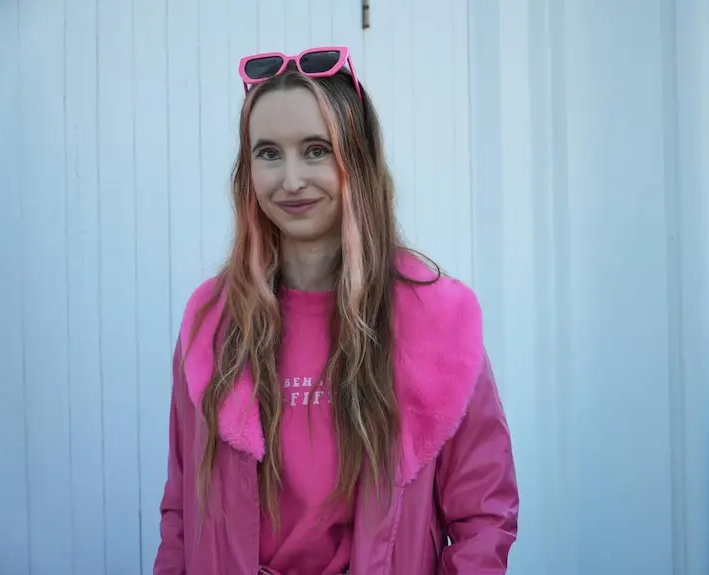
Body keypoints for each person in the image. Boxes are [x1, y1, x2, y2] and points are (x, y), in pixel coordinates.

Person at [153, 45, 519, 575]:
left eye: (316, 149)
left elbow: (484, 515)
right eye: (269, 153)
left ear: (357, 158)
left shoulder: (438, 318)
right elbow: (180, 508)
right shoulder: (211, 319)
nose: (291, 179)